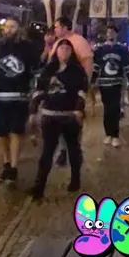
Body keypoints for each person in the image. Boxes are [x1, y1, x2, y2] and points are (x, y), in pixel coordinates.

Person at [0, 19, 40, 184]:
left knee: (16, 131)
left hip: (20, 97)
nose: (9, 29)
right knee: (2, 133)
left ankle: (13, 167)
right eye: (7, 26)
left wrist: (36, 94)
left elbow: (36, 73)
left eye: (12, 26)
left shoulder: (28, 49)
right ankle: (6, 163)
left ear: (19, 29)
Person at [29, 38, 88, 200]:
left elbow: (82, 91)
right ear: (57, 51)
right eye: (61, 48)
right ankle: (39, 186)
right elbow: (39, 91)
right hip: (50, 116)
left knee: (73, 149)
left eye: (68, 49)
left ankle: (75, 179)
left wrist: (78, 110)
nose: (64, 51)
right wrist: (33, 111)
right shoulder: (48, 70)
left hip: (69, 116)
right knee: (47, 152)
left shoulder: (77, 71)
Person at [45, 18, 94, 167]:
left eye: (57, 27)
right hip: (57, 90)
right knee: (58, 118)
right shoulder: (57, 43)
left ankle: (74, 148)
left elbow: (88, 64)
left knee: (75, 120)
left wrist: (84, 85)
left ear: (65, 27)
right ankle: (62, 150)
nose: (55, 30)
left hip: (74, 89)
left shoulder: (79, 42)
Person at [92, 25, 129, 147]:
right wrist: (93, 79)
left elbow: (128, 65)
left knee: (115, 109)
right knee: (107, 109)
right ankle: (108, 134)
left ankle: (115, 135)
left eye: (112, 32)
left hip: (117, 83)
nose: (110, 34)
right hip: (104, 83)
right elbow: (96, 66)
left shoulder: (122, 49)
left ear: (116, 34)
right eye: (108, 32)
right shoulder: (100, 50)